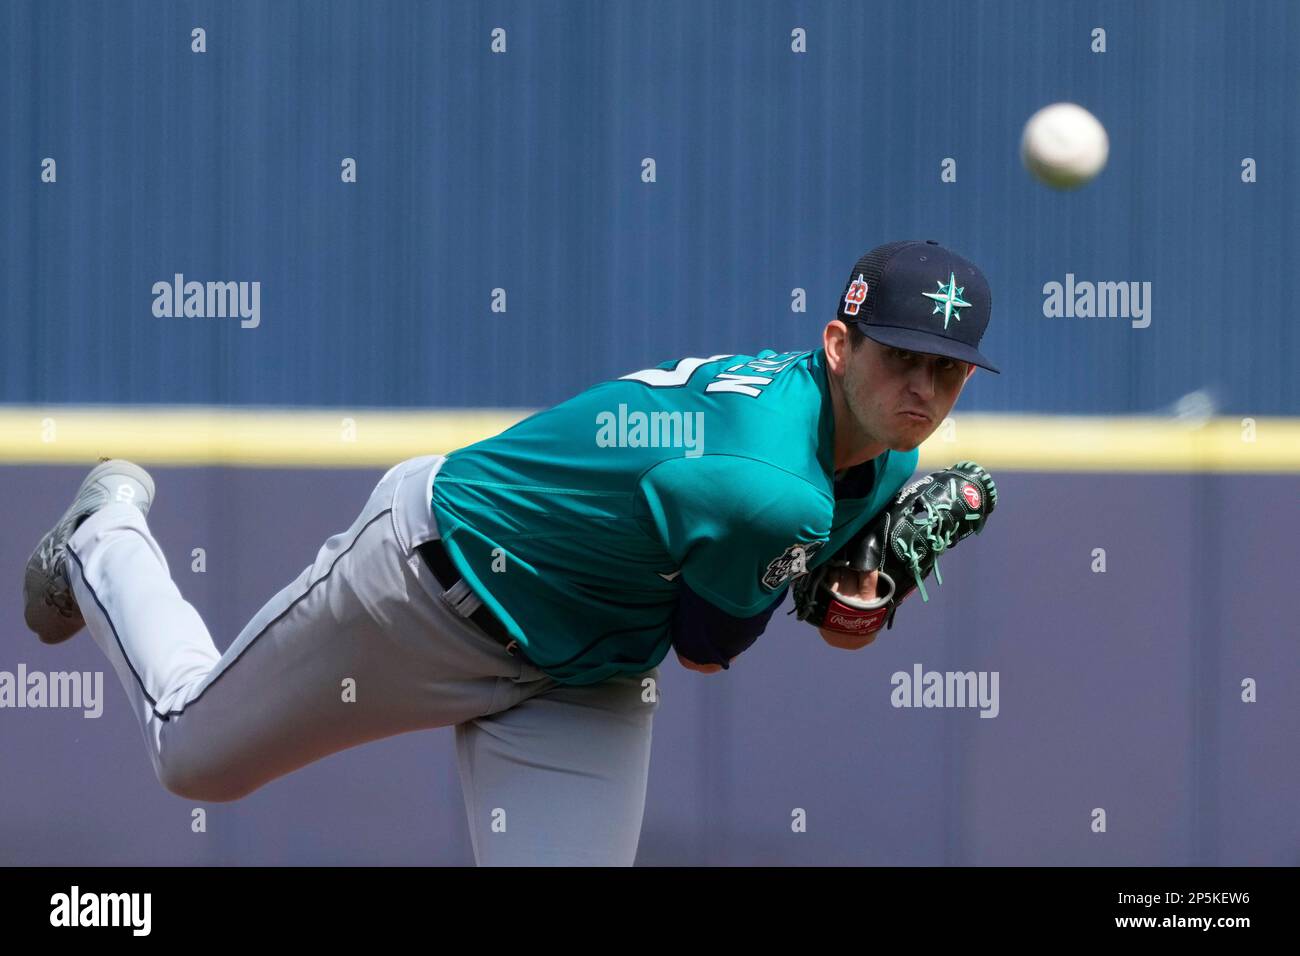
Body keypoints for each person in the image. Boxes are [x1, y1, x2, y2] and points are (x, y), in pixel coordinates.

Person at [22, 239, 998, 866]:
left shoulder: (879, 448)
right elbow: (708, 643)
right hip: (432, 586)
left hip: (588, 673)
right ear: (837, 341)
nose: (918, 386)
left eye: (944, 367)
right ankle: (104, 530)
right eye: (895, 354)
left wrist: (848, 580)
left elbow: (794, 586)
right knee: (194, 755)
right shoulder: (766, 481)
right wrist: (840, 587)